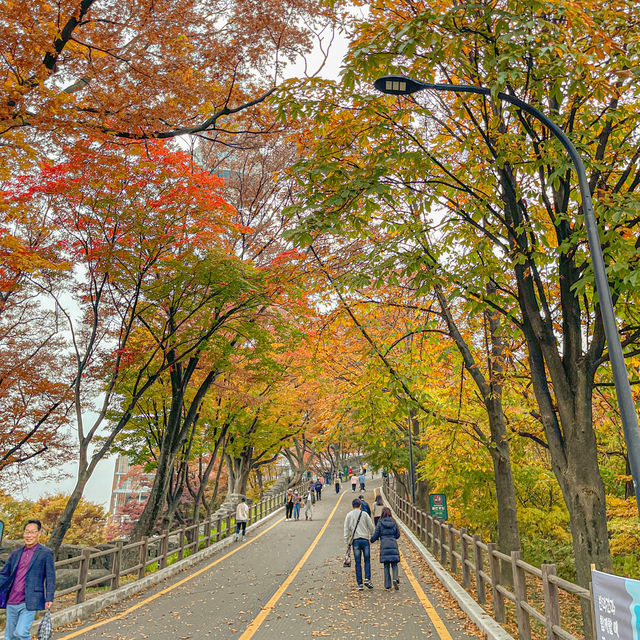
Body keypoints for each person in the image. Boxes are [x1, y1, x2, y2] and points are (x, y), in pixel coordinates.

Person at [0, 520, 55, 640]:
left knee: (20, 633)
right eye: (27, 532)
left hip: (29, 601)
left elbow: (50, 577)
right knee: (9, 636)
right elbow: (4, 574)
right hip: (11, 600)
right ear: (23, 533)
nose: (29, 535)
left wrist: (49, 597)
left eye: (32, 532)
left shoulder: (46, 553)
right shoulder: (16, 553)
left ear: (39, 533)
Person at [343, 499, 375, 591]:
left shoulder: (349, 515)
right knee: (367, 560)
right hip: (365, 540)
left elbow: (346, 529)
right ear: (360, 505)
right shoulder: (364, 514)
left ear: (352, 505)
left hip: (355, 541)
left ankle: (359, 584)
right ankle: (367, 579)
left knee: (357, 562)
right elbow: (372, 528)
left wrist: (347, 542)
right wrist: (371, 536)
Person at [370, 507, 401, 590]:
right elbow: (398, 535)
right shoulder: (393, 522)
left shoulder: (380, 522)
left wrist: (371, 540)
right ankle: (395, 578)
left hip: (384, 544)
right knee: (394, 564)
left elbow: (376, 534)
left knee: (386, 565)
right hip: (393, 543)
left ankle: (388, 584)